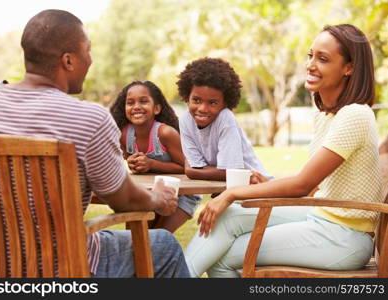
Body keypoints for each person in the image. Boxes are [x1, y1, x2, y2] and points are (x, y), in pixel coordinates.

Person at [0, 9, 190, 278]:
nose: (91, 60)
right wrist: (158, 198)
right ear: (68, 61)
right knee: (164, 245)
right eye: (88, 51)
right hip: (65, 268)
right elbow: (125, 202)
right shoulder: (89, 119)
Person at [184, 24, 384, 278]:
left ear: (349, 67)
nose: (311, 64)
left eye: (323, 59)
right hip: (321, 216)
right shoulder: (326, 114)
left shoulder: (355, 115)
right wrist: (263, 184)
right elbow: (313, 185)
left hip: (344, 236)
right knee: (230, 217)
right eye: (310, 55)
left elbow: (302, 185)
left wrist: (233, 192)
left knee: (224, 255)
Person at [110, 80, 201, 232]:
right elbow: (128, 159)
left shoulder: (165, 133)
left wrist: (151, 164)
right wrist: (132, 162)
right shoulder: (125, 134)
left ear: (157, 108)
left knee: (158, 237)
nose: (136, 106)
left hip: (183, 194)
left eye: (144, 101)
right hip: (150, 192)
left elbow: (187, 168)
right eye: (130, 102)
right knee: (137, 237)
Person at [176, 57, 272, 183]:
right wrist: (194, 170)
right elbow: (195, 166)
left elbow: (231, 173)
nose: (203, 109)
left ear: (225, 104)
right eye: (196, 100)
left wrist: (192, 171)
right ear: (187, 97)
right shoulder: (185, 120)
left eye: (213, 102)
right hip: (231, 190)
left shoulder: (225, 117)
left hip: (260, 187)